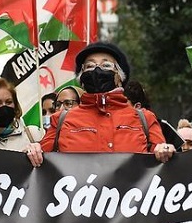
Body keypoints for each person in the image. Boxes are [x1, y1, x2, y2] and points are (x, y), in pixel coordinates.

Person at [28, 42, 174, 166]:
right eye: (90, 66)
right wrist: (34, 150)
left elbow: (162, 159)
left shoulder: (145, 119)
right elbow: (39, 159)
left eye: (106, 65)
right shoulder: (61, 120)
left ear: (119, 77)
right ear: (82, 78)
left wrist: (164, 151)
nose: (97, 70)